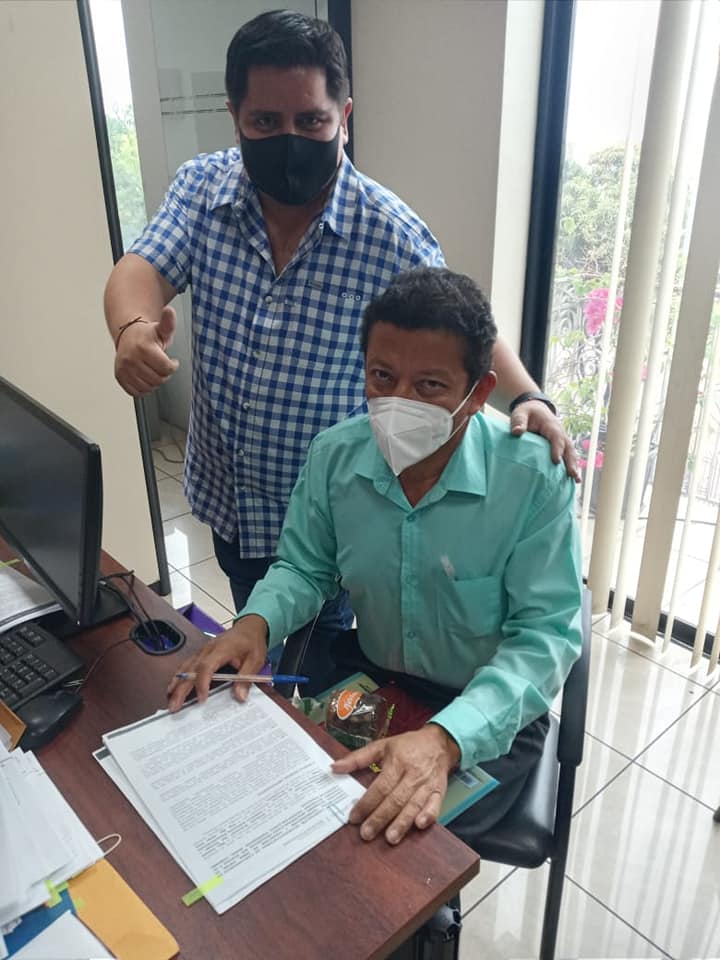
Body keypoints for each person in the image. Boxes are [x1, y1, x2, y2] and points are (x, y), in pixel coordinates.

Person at [104, 10, 578, 690]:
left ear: (344, 117)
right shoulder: (203, 189)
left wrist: (529, 394)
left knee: (320, 673)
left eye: (311, 121)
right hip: (232, 495)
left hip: (338, 510)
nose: (290, 140)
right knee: (254, 646)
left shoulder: (388, 232)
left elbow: (463, 325)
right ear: (234, 116)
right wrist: (132, 329)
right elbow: (141, 269)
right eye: (265, 122)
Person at [167, 267, 583, 847]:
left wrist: (446, 739)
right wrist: (253, 625)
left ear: (478, 392)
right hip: (376, 679)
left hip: (487, 706)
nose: (398, 402)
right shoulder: (335, 457)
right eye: (382, 376)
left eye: (429, 386)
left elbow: (544, 638)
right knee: (303, 801)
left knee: (402, 845)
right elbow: (304, 567)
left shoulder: (532, 478)